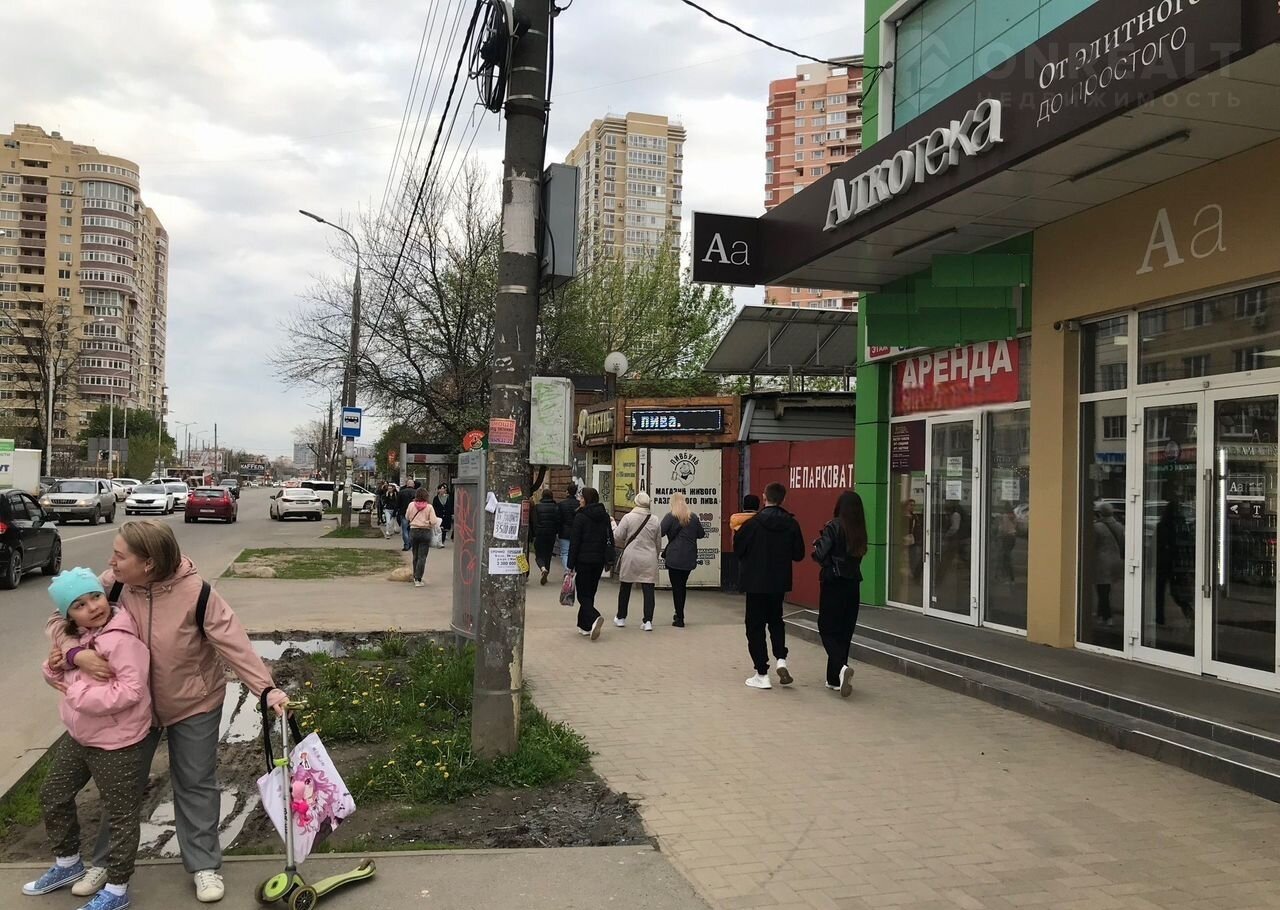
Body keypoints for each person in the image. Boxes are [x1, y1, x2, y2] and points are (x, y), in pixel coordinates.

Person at [46, 521, 288, 904]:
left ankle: (204, 865)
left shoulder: (198, 593)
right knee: (121, 787)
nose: (111, 561)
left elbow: (234, 643)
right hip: (130, 709)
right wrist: (76, 653)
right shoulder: (111, 584)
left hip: (194, 702)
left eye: (120, 555)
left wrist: (267, 689)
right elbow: (60, 619)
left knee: (195, 782)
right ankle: (105, 863)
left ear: (148, 563)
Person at [25, 568, 152, 910]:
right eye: (79, 604)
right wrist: (53, 666)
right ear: (69, 615)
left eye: (95, 596)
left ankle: (117, 890)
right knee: (53, 794)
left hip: (117, 742)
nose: (93, 607)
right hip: (79, 736)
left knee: (121, 815)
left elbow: (131, 690)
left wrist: (78, 695)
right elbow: (62, 677)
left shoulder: (122, 640)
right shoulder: (77, 638)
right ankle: (68, 863)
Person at [733, 482, 804, 690]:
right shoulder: (791, 523)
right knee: (776, 621)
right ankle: (781, 659)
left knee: (755, 626)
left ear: (764, 497)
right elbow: (799, 554)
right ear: (783, 499)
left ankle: (762, 673)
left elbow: (738, 549)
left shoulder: (752, 524)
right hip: (778, 583)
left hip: (755, 583)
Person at [812, 492, 868, 698]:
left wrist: (817, 546)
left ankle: (841, 667)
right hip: (853, 584)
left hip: (833, 582)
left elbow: (820, 554)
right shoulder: (859, 528)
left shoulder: (834, 526)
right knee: (845, 631)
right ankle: (834, 679)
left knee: (826, 628)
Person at [567, 487, 612, 640]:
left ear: (586, 499)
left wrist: (570, 564)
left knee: (583, 595)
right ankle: (584, 626)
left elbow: (575, 542)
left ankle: (594, 617)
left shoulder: (580, 517)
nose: (579, 500)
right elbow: (609, 539)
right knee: (590, 592)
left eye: (581, 498)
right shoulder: (604, 516)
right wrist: (608, 559)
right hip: (598, 561)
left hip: (583, 561)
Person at [613, 492, 662, 630]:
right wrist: (656, 554)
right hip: (649, 557)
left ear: (636, 503)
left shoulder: (628, 518)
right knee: (648, 589)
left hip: (631, 556)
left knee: (625, 587)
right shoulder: (655, 520)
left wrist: (613, 525)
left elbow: (618, 536)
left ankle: (621, 617)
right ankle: (648, 621)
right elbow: (658, 542)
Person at [660, 492, 706, 628]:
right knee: (682, 586)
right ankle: (679, 614)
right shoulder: (693, 517)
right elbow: (701, 534)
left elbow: (660, 532)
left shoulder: (670, 517)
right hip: (689, 556)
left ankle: (679, 617)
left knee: (676, 587)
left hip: (674, 556)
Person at [1154, 497, 1193, 625]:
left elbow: (1156, 545)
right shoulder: (1182, 526)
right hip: (1177, 563)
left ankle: (1159, 618)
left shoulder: (1162, 526)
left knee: (1160, 591)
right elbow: (1188, 543)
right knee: (1178, 591)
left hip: (1163, 563)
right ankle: (1189, 612)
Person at [1093, 501, 1124, 625]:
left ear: (1100, 513)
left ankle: (1106, 616)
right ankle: (1101, 613)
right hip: (1115, 561)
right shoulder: (1119, 526)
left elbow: (1092, 544)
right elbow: (1122, 544)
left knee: (1102, 590)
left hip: (1101, 562)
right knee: (1107, 589)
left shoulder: (1097, 527)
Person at [405, 488, 439, 588]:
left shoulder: (411, 505)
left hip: (414, 531)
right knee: (422, 557)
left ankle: (415, 575)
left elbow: (407, 517)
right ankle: (418, 578)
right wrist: (427, 522)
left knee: (415, 555)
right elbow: (434, 521)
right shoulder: (429, 507)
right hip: (425, 532)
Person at [531, 489, 561, 585]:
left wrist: (535, 532)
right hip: (551, 534)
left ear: (542, 496)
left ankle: (543, 568)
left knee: (539, 554)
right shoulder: (556, 507)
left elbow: (534, 521)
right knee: (548, 554)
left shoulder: (537, 507)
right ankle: (546, 573)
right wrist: (556, 531)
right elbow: (558, 521)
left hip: (540, 533)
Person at [556, 483, 580, 571]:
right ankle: (574, 570)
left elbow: (559, 519)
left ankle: (568, 571)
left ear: (567, 492)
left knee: (565, 553)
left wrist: (558, 531)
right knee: (576, 553)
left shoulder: (562, 504)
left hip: (564, 532)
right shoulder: (579, 504)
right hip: (577, 532)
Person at [904, 498, 923, 581]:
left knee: (914, 557)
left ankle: (913, 574)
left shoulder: (915, 517)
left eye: (913, 505)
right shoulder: (903, 516)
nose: (912, 507)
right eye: (911, 505)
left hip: (913, 540)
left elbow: (917, 528)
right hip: (904, 539)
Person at [395, 481, 417, 551]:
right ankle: (411, 543)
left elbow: (397, 503)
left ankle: (406, 544)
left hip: (403, 513)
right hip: (414, 514)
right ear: (413, 485)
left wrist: (396, 511)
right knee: (411, 529)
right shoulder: (416, 492)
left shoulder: (401, 492)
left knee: (404, 530)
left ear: (407, 485)